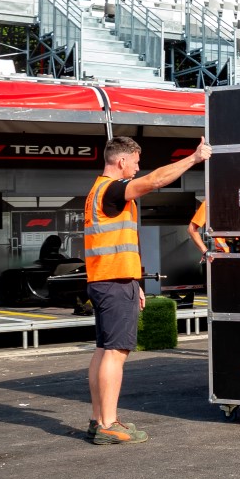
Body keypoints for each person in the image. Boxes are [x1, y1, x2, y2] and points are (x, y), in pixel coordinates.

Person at [84, 135, 212, 446]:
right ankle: (108, 424)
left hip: (108, 279)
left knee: (104, 350)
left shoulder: (97, 191)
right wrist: (194, 158)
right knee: (116, 352)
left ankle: (99, 420)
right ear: (122, 161)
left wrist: (136, 282)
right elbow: (155, 181)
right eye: (136, 162)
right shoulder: (113, 190)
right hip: (114, 281)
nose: (138, 169)